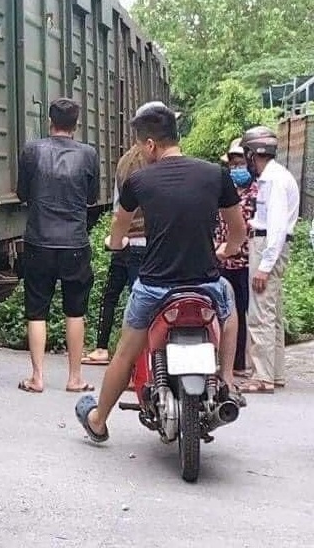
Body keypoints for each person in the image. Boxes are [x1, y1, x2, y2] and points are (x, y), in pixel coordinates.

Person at [75, 101, 247, 444]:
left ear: (150, 144)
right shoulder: (216, 174)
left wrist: (116, 242)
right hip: (204, 283)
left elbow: (119, 232)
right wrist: (224, 250)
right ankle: (227, 379)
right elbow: (238, 230)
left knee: (124, 352)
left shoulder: (138, 180)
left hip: (155, 287)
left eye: (142, 145)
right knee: (228, 307)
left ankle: (97, 420)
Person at [15, 97, 100, 394]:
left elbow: (22, 193)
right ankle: (74, 378)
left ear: (49, 122)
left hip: (39, 240)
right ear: (76, 125)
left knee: (37, 309)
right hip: (75, 242)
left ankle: (37, 378)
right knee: (75, 311)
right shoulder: (89, 155)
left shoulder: (32, 151)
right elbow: (91, 198)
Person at [238, 126, 299, 394]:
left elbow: (274, 228)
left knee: (260, 313)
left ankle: (262, 377)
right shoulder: (275, 176)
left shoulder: (273, 180)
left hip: (267, 246)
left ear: (254, 153)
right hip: (271, 244)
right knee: (272, 313)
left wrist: (264, 267)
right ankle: (274, 373)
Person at [82, 144, 147, 366]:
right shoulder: (162, 163)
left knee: (111, 294)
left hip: (125, 239)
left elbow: (118, 207)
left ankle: (101, 348)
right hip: (152, 241)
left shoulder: (124, 162)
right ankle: (139, 356)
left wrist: (116, 238)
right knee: (140, 301)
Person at [214, 138, 258, 377]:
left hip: (245, 262)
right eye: (232, 163)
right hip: (223, 260)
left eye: (240, 163)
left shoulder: (256, 193)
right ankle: (224, 363)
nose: (236, 168)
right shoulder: (226, 191)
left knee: (240, 312)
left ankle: (239, 364)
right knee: (223, 311)